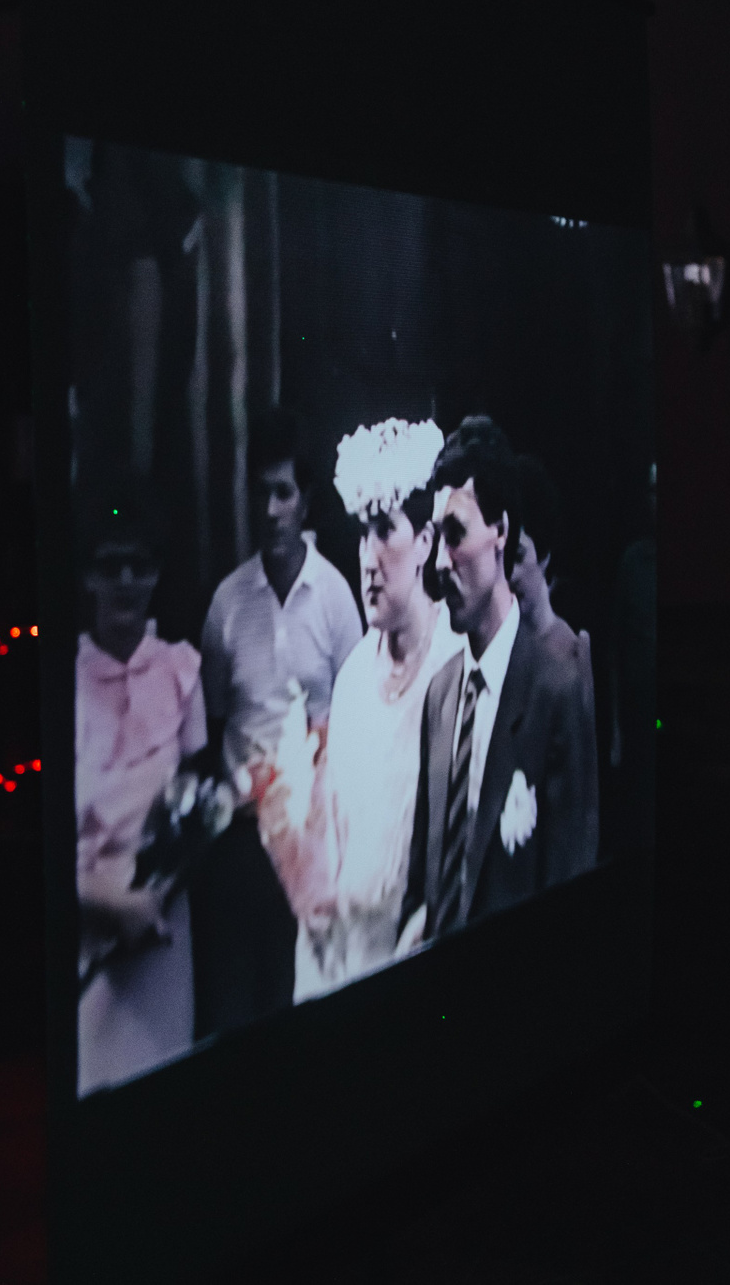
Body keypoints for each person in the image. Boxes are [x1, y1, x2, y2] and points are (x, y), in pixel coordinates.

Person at [256, 418, 465, 1001]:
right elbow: (331, 838)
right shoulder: (351, 679)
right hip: (345, 966)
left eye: (385, 531)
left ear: (424, 542)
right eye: (362, 535)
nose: (368, 558)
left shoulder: (454, 665)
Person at [193, 408, 363, 1036]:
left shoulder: (338, 599)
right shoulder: (226, 604)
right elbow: (212, 725)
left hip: (314, 843)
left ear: (306, 501)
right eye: (260, 493)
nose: (270, 511)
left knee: (303, 1012)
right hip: (241, 844)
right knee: (236, 1018)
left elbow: (357, 720)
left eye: (283, 493)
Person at [399, 417, 597, 949]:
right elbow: (422, 884)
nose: (440, 563)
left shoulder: (555, 688)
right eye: (436, 539)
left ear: (501, 532)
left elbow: (572, 892)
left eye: (456, 535)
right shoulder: (441, 695)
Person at [74, 478, 206, 1095]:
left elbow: (198, 809)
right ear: (88, 577)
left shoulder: (182, 670)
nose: (126, 581)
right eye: (110, 566)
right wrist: (108, 905)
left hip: (163, 934)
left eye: (140, 565)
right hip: (91, 942)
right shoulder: (67, 686)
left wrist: (154, 897)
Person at [511, 453, 599, 860]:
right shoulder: (497, 648)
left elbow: (583, 796)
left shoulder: (570, 651)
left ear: (543, 556)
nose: (509, 574)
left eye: (519, 557)